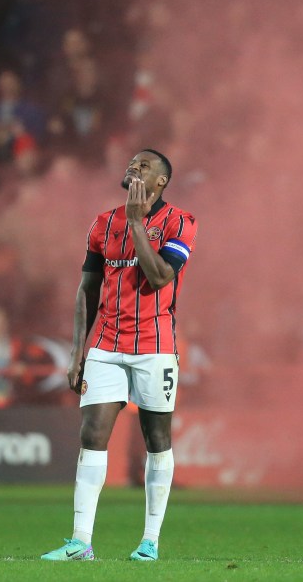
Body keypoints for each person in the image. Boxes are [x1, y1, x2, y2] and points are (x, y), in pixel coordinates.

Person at [41, 148, 197, 563]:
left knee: (157, 440)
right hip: (106, 346)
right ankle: (79, 542)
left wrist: (137, 224)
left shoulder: (182, 222)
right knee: (92, 434)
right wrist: (78, 349)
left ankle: (149, 542)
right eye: (132, 163)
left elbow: (161, 276)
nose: (133, 167)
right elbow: (87, 289)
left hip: (155, 347)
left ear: (162, 181)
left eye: (144, 165)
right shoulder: (102, 223)